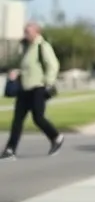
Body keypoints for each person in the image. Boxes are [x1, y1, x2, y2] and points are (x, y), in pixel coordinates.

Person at [2, 21, 64, 159]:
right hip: (24, 88)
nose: (25, 34)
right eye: (25, 31)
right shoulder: (25, 47)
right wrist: (16, 73)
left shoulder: (43, 46)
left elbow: (53, 65)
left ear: (37, 32)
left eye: (28, 32)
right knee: (17, 120)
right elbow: (25, 66)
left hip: (38, 87)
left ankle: (56, 137)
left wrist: (48, 82)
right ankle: (10, 149)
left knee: (38, 118)